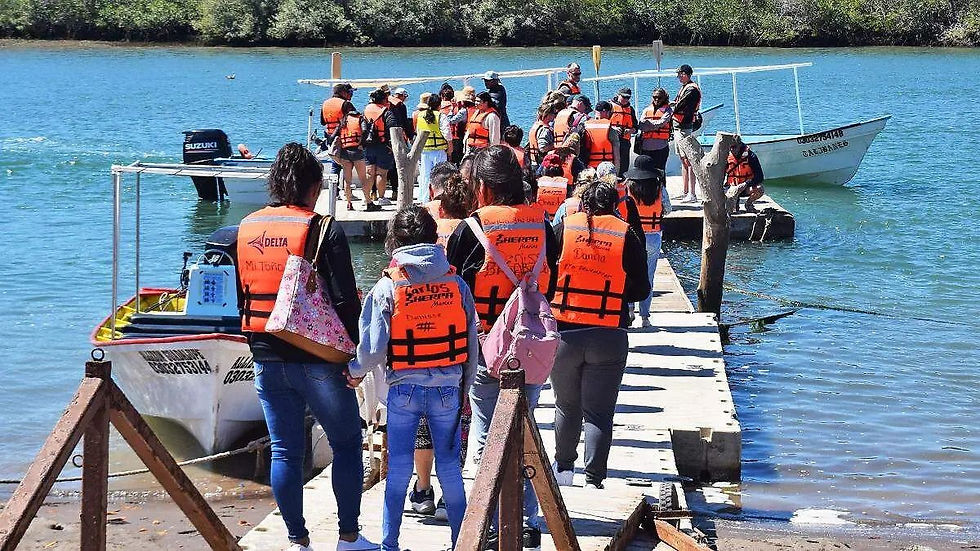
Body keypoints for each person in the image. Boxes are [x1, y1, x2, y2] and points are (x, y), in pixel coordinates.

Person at [236, 143, 375, 551]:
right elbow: (346, 300)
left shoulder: (246, 227)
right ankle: (348, 538)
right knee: (347, 443)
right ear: (313, 187)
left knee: (285, 449)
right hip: (318, 359)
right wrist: (356, 358)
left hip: (264, 355)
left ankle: (298, 541)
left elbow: (241, 294)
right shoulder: (322, 228)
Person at [445, 145, 559, 549]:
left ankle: (489, 517)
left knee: (483, 430)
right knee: (526, 429)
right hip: (530, 343)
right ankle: (527, 520)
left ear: (483, 187)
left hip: (485, 343)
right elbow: (554, 279)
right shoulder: (543, 226)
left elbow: (451, 289)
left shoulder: (472, 228)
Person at [351, 205, 478, 551]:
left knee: (399, 472)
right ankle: (460, 542)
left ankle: (389, 545)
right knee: (451, 470)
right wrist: (463, 389)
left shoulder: (386, 288)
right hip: (448, 390)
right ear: (433, 239)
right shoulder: (457, 284)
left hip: (403, 389)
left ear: (396, 242)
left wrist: (353, 372)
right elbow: (470, 346)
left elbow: (373, 348)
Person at [549, 178, 650, 490]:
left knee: (566, 406)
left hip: (565, 331)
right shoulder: (626, 233)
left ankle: (564, 472)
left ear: (583, 205)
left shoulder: (565, 227)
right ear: (615, 205)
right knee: (599, 413)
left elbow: (548, 274)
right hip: (609, 333)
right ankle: (594, 480)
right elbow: (641, 288)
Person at [623, 155, 671, 328]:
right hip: (653, 236)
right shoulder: (659, 188)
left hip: (632, 235)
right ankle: (645, 317)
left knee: (629, 273)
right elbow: (668, 209)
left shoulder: (627, 188)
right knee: (648, 277)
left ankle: (629, 310)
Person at [328, 102, 370, 211]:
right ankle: (368, 202)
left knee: (347, 180)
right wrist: (362, 143)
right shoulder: (360, 119)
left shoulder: (343, 120)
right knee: (363, 179)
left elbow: (333, 136)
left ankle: (349, 203)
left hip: (345, 153)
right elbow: (365, 131)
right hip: (357, 151)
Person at [415, 93, 452, 204]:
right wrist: (450, 147)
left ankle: (423, 199)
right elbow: (447, 134)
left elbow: (418, 132)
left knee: (425, 176)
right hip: (439, 150)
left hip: (425, 150)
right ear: (439, 105)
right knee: (441, 175)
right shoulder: (441, 116)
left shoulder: (420, 115)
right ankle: (439, 198)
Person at [672, 64, 702, 203]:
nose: (678, 76)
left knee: (688, 161)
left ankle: (692, 193)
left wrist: (668, 107)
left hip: (684, 128)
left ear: (686, 74)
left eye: (680, 74)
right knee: (683, 161)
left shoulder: (692, 89)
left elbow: (680, 105)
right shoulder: (685, 87)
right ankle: (685, 192)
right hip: (678, 128)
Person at [364, 88, 397, 209]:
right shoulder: (386, 112)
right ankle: (382, 198)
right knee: (381, 174)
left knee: (369, 173)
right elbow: (393, 128)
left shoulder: (366, 110)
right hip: (383, 146)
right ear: (384, 99)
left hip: (368, 146)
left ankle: (367, 198)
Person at [320, 82, 356, 187]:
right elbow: (355, 120)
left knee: (335, 164)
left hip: (330, 137)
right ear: (343, 93)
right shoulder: (346, 104)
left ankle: (334, 190)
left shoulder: (325, 103)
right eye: (350, 92)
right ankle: (346, 190)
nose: (351, 95)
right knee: (347, 165)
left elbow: (323, 121)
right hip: (345, 138)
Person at [637, 88, 673, 173]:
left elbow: (661, 123)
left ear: (664, 98)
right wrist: (654, 125)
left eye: (659, 97)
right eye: (654, 97)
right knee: (645, 172)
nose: (656, 99)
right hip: (646, 148)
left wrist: (648, 124)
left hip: (661, 148)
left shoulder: (668, 110)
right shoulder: (646, 110)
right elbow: (641, 125)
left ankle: (661, 186)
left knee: (660, 172)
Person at [726, 136, 765, 212]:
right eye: (730, 147)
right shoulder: (726, 155)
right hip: (731, 188)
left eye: (734, 147)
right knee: (732, 211)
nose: (732, 149)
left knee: (760, 189)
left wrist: (745, 184)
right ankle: (734, 204)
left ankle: (749, 204)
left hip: (745, 188)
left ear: (740, 145)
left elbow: (760, 177)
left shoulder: (750, 156)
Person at [582, 101, 620, 172]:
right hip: (606, 169)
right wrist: (616, 173)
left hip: (590, 169)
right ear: (607, 112)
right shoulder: (611, 130)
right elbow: (617, 157)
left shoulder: (585, 126)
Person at [609, 87, 638, 176]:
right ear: (618, 95)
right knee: (612, 166)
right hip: (611, 141)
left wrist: (630, 130)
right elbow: (601, 122)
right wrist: (613, 128)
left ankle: (623, 186)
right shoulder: (609, 106)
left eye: (628, 98)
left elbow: (636, 127)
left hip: (625, 142)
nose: (625, 99)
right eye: (623, 97)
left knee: (624, 167)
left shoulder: (631, 109)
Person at [526, 99, 560, 170]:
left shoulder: (536, 125)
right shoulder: (545, 130)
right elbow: (542, 148)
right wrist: (555, 145)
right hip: (541, 163)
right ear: (548, 115)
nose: (555, 116)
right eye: (554, 113)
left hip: (533, 161)